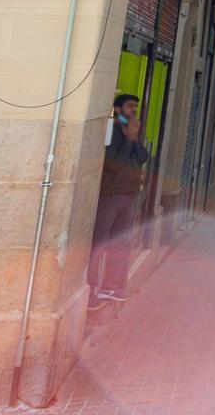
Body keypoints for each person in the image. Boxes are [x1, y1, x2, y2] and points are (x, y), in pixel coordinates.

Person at [90, 93, 150, 307]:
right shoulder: (112, 132)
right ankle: (91, 289)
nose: (133, 111)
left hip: (128, 194)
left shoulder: (129, 131)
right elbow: (113, 165)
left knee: (121, 241)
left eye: (135, 107)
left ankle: (112, 286)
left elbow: (142, 157)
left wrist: (134, 138)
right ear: (117, 109)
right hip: (111, 195)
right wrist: (129, 139)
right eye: (129, 106)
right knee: (100, 241)